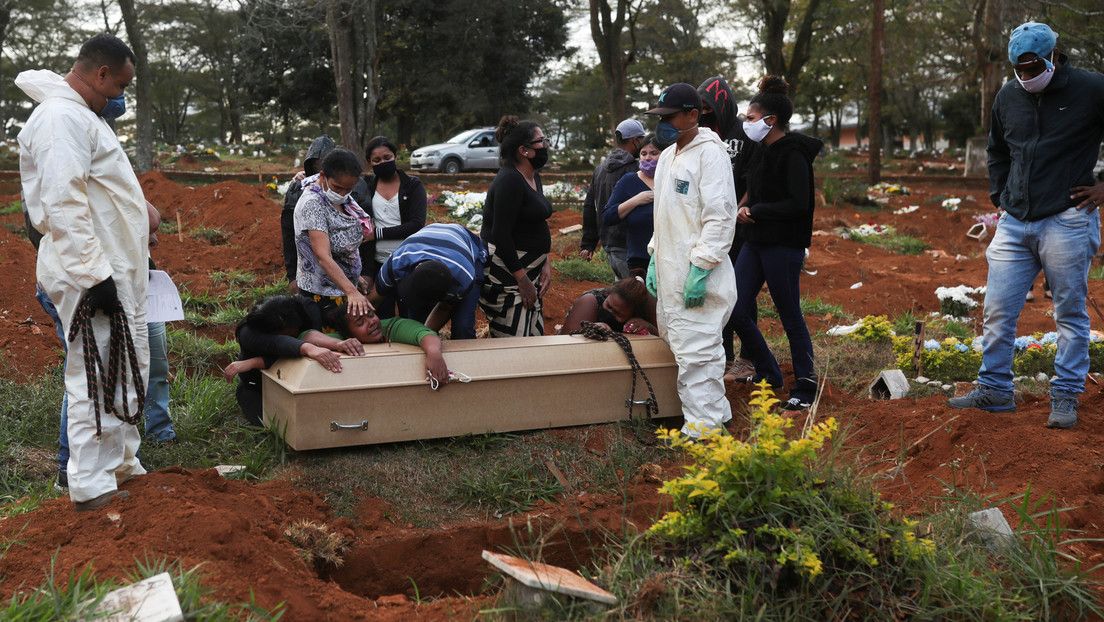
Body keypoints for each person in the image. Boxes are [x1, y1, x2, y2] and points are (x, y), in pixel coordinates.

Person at [949, 21, 1104, 429]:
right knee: (998, 310)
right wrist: (1000, 197)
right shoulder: (1007, 95)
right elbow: (997, 149)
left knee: (1069, 312)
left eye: (1035, 68)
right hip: (1015, 222)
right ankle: (996, 390)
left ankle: (1066, 394)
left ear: (1054, 55)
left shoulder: (1091, 89)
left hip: (1067, 219)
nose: (1027, 77)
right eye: (1020, 69)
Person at [17, 33, 147, 511]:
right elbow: (63, 203)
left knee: (122, 371)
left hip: (111, 267)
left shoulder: (79, 116)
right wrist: (95, 277)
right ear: (101, 74)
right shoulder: (59, 118)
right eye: (120, 86)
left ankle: (122, 467)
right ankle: (92, 487)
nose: (120, 97)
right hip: (89, 272)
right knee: (94, 376)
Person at [644, 82, 738, 438]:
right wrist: (654, 256)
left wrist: (701, 268)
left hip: (698, 273)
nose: (663, 123)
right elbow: (664, 214)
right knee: (683, 346)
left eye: (670, 117)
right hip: (669, 270)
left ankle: (704, 431)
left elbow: (720, 216)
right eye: (660, 116)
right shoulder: (668, 156)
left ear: (693, 115)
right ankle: (717, 412)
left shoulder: (710, 154)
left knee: (699, 353)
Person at [729, 76, 824, 412]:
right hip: (754, 241)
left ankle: (805, 386)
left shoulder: (794, 154)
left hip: (782, 245)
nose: (746, 124)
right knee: (736, 308)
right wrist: (742, 207)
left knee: (789, 315)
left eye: (751, 119)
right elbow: (753, 190)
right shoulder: (760, 150)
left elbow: (799, 203)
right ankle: (769, 372)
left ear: (770, 121)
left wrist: (758, 210)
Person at [699, 75, 760, 382]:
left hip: (739, 227)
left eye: (708, 106)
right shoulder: (703, 135)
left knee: (743, 293)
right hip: (711, 228)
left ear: (722, 103)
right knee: (716, 291)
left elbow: (751, 178)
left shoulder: (743, 133)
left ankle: (749, 358)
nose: (704, 111)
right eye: (700, 107)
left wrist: (739, 207)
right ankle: (725, 356)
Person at [224, 296, 355, 428]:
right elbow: (278, 344)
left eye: (293, 334)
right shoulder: (249, 332)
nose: (291, 338)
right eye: (286, 335)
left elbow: (310, 334)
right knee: (276, 426)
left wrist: (335, 344)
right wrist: (308, 348)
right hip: (258, 387)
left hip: (302, 385)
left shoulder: (304, 310)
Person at [479, 115, 554, 337]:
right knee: (513, 340)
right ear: (524, 150)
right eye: (541, 141)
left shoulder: (532, 176)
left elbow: (535, 222)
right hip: (507, 274)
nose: (546, 145)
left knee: (533, 336)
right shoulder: (509, 180)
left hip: (529, 271)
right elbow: (500, 234)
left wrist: (545, 262)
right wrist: (522, 279)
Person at [293, 148, 373, 328]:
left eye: (349, 189)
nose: (343, 193)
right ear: (323, 176)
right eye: (338, 187)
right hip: (322, 295)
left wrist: (354, 275)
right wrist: (351, 291)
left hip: (342, 288)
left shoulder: (341, 198)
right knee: (334, 344)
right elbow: (323, 255)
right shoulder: (312, 204)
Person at [350, 136, 427, 318]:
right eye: (377, 160)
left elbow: (416, 224)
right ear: (369, 162)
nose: (383, 162)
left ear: (395, 157)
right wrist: (304, 177)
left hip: (408, 263)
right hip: (379, 266)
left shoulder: (412, 185)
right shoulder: (367, 187)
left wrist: (377, 234)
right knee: (382, 318)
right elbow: (336, 185)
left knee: (412, 316)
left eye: (387, 157)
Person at [370, 222, 487, 339]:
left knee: (463, 326)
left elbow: (444, 307)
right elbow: (374, 300)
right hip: (429, 240)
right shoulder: (397, 262)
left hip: (468, 248)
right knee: (416, 321)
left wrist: (424, 336)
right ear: (417, 267)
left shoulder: (463, 279)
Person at [304, 304, 449, 386]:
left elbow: (423, 333)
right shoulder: (344, 339)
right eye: (360, 323)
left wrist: (434, 353)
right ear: (349, 335)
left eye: (371, 315)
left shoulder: (392, 326)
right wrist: (338, 344)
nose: (371, 322)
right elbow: (308, 336)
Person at [580, 118, 646, 280]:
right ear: (635, 141)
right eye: (642, 141)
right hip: (630, 246)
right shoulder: (636, 170)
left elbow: (590, 206)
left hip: (609, 244)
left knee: (623, 292)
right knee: (636, 295)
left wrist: (588, 243)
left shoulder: (600, 169)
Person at [282, 135, 336, 295]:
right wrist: (292, 276)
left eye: (325, 162)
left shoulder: (348, 187)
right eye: (316, 164)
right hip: (308, 272)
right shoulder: (298, 189)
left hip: (342, 270)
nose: (320, 169)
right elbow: (288, 233)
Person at [602, 134, 660, 277]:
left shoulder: (672, 180)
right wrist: (635, 200)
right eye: (643, 153)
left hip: (668, 260)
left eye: (654, 153)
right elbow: (608, 216)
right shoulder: (629, 181)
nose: (647, 158)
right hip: (639, 262)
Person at [560, 277, 658, 335]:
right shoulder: (590, 301)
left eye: (619, 314)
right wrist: (588, 330)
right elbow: (566, 341)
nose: (610, 312)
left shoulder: (649, 307)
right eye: (609, 305)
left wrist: (649, 328)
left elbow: (667, 341)